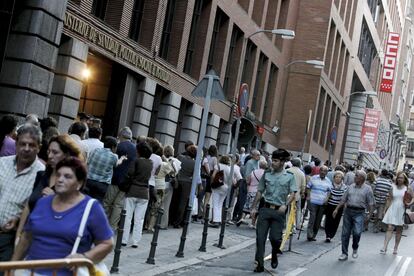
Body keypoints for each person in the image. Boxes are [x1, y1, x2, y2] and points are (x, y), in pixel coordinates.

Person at [12, 157, 114, 276]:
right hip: (31, 272)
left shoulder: (91, 208)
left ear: (79, 183)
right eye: (58, 175)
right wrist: (12, 267)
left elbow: (107, 243)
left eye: (67, 176)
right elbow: (26, 238)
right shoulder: (42, 203)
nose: (60, 179)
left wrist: (84, 257)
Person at [16, 134, 83, 242]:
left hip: (51, 241)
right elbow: (29, 206)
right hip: (28, 237)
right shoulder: (42, 175)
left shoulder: (74, 183)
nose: (50, 156)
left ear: (66, 155)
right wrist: (18, 235)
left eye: (55, 152)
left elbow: (75, 218)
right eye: (49, 152)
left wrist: (56, 200)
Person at [0, 124, 45, 264]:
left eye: (31, 145)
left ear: (39, 147)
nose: (26, 149)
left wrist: (19, 219)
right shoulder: (2, 163)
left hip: (9, 238)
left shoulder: (42, 174)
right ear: (16, 144)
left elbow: (36, 209)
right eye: (22, 144)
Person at [250, 149, 296, 272]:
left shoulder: (289, 177)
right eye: (272, 160)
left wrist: (285, 205)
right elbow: (260, 191)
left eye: (275, 161)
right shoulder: (267, 174)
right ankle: (259, 264)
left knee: (275, 239)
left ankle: (275, 252)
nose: (272, 163)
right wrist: (254, 208)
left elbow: (293, 194)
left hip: (279, 212)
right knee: (260, 238)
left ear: (282, 162)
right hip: (265, 209)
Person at [333, 170, 375, 261]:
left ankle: (355, 247)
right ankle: (344, 253)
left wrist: (369, 215)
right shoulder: (350, 187)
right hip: (348, 211)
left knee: (357, 232)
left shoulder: (368, 189)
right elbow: (343, 199)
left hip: (359, 213)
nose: (354, 177)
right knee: (345, 233)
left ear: (362, 178)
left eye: (356, 176)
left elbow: (371, 203)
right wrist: (336, 209)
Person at [104, 126, 137, 230]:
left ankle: (102, 224)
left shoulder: (118, 146)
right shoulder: (136, 149)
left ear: (121, 135)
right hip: (126, 182)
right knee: (118, 205)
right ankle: (112, 227)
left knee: (107, 203)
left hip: (115, 179)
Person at [122, 142, 153, 247]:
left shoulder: (136, 161)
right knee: (139, 219)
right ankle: (136, 241)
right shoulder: (151, 163)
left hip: (133, 191)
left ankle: (124, 240)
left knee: (127, 217)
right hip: (144, 192)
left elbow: (129, 174)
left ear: (139, 151)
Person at [381, 172, 414, 254]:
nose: (399, 179)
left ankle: (395, 248)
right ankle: (384, 246)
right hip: (392, 208)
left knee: (399, 230)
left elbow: (413, 197)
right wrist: (385, 209)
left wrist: (409, 203)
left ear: (404, 179)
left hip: (401, 210)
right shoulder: (393, 187)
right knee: (390, 228)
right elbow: (390, 199)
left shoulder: (407, 188)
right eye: (398, 177)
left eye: (401, 178)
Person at [85, 136, 125, 203]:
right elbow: (117, 164)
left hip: (89, 181)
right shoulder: (114, 156)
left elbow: (88, 162)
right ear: (113, 147)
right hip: (102, 185)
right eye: (116, 147)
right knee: (97, 205)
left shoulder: (95, 150)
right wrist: (122, 158)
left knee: (86, 202)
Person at [172, 145, 198, 228]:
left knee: (174, 200)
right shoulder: (195, 163)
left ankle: (170, 220)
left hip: (177, 180)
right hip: (187, 183)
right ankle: (177, 222)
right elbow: (194, 176)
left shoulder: (180, 157)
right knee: (182, 203)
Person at [148, 148, 173, 231]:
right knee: (156, 207)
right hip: (160, 186)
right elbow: (172, 171)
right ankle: (150, 227)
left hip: (152, 184)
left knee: (150, 205)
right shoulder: (164, 164)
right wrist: (166, 160)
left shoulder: (152, 161)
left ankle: (146, 224)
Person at [306, 165, 331, 241]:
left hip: (322, 203)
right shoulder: (313, 178)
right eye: (322, 170)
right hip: (313, 201)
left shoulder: (328, 181)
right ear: (319, 171)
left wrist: (326, 199)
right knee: (312, 218)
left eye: (325, 171)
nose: (323, 172)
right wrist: (308, 196)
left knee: (318, 220)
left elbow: (329, 191)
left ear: (327, 172)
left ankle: (314, 235)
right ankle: (309, 235)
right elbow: (308, 187)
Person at [240, 160, 267, 228]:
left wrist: (250, 185)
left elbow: (248, 181)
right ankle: (253, 223)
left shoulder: (253, 171)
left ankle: (242, 218)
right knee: (255, 207)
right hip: (259, 192)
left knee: (247, 205)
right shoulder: (265, 173)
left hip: (250, 190)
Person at [210, 155, 234, 228]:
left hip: (218, 186)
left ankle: (216, 221)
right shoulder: (230, 168)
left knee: (215, 204)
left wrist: (211, 183)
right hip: (226, 188)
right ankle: (219, 220)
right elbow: (233, 181)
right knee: (220, 204)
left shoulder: (218, 166)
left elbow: (213, 176)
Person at [160, 145, 181, 229]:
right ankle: (164, 224)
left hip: (161, 182)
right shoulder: (176, 161)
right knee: (166, 205)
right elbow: (176, 173)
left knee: (158, 204)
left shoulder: (161, 159)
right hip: (170, 184)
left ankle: (155, 222)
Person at [324, 171, 347, 242]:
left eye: (339, 177)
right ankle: (327, 235)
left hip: (339, 206)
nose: (338, 178)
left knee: (336, 221)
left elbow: (344, 198)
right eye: (336, 177)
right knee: (328, 220)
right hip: (330, 205)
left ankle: (331, 235)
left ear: (342, 179)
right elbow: (327, 195)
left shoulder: (344, 187)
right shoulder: (330, 185)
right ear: (334, 178)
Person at [287, 158, 306, 228]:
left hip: (286, 194)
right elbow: (303, 185)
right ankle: (297, 224)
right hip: (296, 195)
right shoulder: (301, 173)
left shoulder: (287, 171)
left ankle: (285, 223)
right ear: (300, 164)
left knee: (287, 209)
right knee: (298, 210)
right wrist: (303, 192)